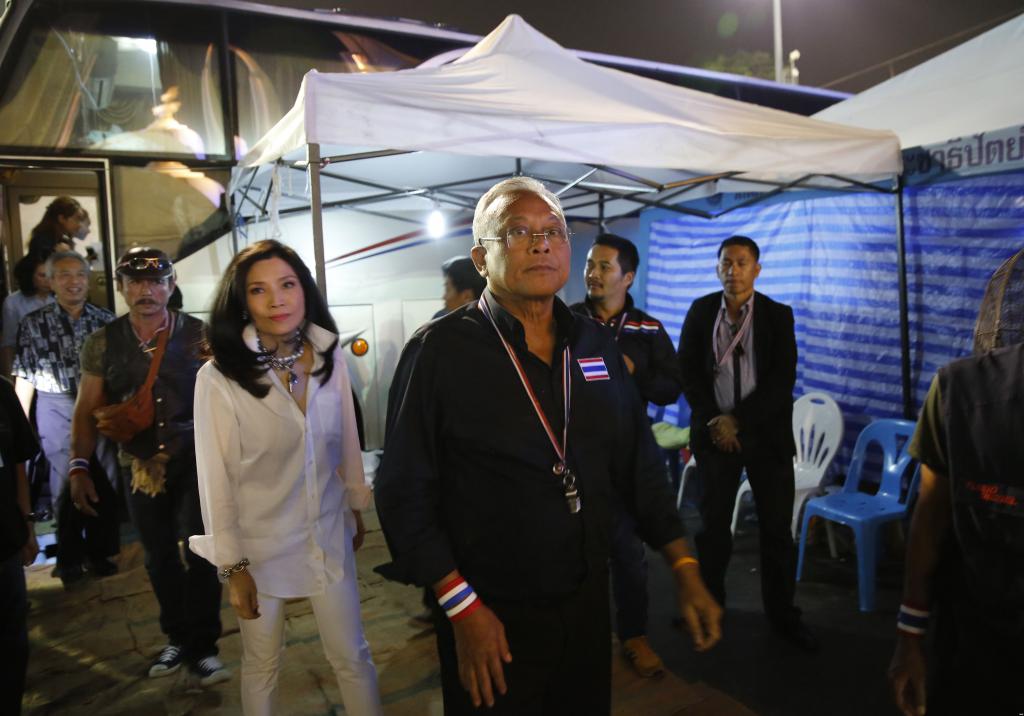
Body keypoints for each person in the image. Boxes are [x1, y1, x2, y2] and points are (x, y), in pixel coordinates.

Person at [377, 177, 721, 715]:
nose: (541, 243)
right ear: (481, 259)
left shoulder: (595, 345)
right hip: (490, 610)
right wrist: (460, 608)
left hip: (586, 602)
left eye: (554, 231)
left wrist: (682, 564)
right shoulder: (441, 352)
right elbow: (403, 492)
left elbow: (638, 463)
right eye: (518, 231)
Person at [189, 240, 382, 715]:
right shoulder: (219, 379)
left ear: (304, 290)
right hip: (260, 547)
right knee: (261, 663)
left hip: (326, 530)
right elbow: (216, 481)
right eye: (259, 290)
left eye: (288, 285)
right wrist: (233, 569)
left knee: (352, 655)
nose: (278, 300)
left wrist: (354, 509)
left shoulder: (328, 359)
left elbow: (346, 443)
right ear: (242, 302)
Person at [69, 248, 227, 685]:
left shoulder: (199, 333)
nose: (147, 291)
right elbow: (86, 409)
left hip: (196, 460)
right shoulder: (101, 343)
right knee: (158, 557)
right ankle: (176, 638)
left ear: (172, 286)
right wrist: (78, 466)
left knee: (202, 551)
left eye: (157, 281)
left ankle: (204, 647)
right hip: (139, 466)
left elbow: (228, 399)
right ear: (121, 287)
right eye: (135, 282)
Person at [888, 249, 1024, 716]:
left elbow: (928, 516)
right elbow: (930, 516)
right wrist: (910, 632)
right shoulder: (956, 389)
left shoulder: (957, 386)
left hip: (971, 634)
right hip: (972, 632)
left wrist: (910, 636)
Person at [677, 235, 816, 651]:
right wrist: (717, 422)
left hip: (766, 438)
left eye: (741, 263)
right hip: (715, 436)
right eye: (726, 263)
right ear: (717, 268)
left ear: (757, 269)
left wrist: (738, 421)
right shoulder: (702, 311)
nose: (732, 271)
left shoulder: (777, 316)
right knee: (713, 528)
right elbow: (688, 371)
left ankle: (783, 617)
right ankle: (709, 606)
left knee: (775, 531)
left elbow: (781, 381)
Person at [570, 233, 683, 678]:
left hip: (628, 458)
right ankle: (579, 637)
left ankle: (634, 636)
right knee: (576, 554)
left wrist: (636, 374)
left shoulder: (648, 329)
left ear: (627, 276)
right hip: (574, 454)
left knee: (629, 555)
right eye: (590, 265)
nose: (593, 274)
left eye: (604, 267)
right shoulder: (568, 321)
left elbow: (672, 387)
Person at [12, 251, 116, 586]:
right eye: (65, 276)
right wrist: (19, 422)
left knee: (104, 479)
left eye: (80, 275)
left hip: (98, 405)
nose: (74, 282)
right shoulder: (33, 323)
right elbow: (24, 377)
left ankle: (102, 553)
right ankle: (69, 557)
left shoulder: (106, 320)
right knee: (64, 480)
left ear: (88, 280)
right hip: (55, 405)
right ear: (51, 281)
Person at [0, 376, 41, 716]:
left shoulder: (1, 391)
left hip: (4, 538)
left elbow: (18, 463)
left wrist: (28, 525)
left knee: (13, 640)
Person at [2, 254, 54, 376]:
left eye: (50, 274)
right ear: (30, 277)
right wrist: (10, 378)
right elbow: (8, 344)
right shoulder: (13, 302)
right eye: (42, 275)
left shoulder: (57, 299)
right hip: (27, 366)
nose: (48, 279)